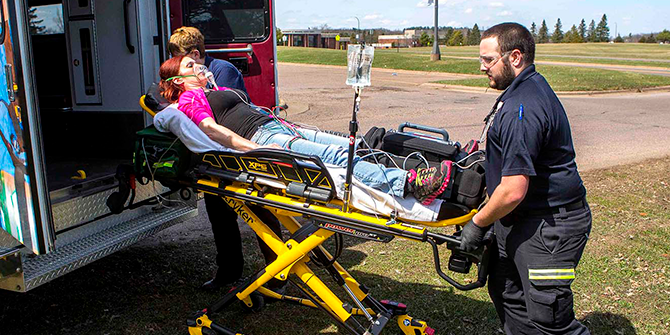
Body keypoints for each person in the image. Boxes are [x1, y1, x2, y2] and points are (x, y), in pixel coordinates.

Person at [459, 23, 633, 335]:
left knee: (551, 313)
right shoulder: (519, 92)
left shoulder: (525, 107)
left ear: (514, 57)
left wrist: (476, 223)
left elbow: (515, 189)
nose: (482, 68)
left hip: (550, 226)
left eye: (488, 60)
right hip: (521, 220)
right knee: (504, 285)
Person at [157, 48, 452, 205]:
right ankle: (408, 184)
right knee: (335, 158)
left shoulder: (213, 89)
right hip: (264, 136)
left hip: (278, 125)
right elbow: (212, 130)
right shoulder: (189, 99)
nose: (198, 66)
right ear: (177, 81)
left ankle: (415, 170)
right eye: (189, 67)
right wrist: (255, 150)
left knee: (350, 145)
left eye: (196, 63)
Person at [167, 27, 274, 290]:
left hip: (237, 155)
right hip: (214, 159)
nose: (180, 64)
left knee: (261, 212)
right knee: (220, 216)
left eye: (181, 57)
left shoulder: (222, 72)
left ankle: (276, 274)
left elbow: (230, 115)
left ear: (195, 53)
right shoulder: (191, 74)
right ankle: (228, 272)